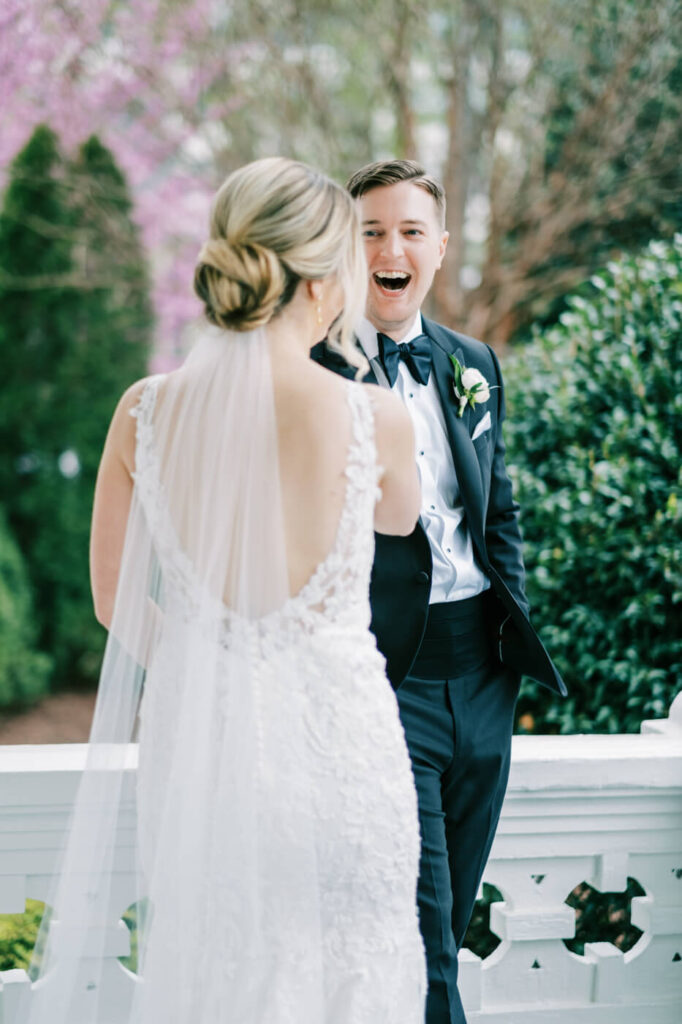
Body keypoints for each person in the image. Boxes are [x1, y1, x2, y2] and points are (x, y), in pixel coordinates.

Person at [22, 158, 427, 1024]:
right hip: (346, 763)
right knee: (364, 981)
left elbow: (111, 600)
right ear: (323, 283)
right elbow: (400, 520)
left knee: (222, 981)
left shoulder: (142, 413)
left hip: (208, 767)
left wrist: (214, 664)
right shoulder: (376, 416)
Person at [312, 159, 566, 1024]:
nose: (390, 247)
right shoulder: (314, 374)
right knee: (422, 937)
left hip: (483, 684)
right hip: (388, 685)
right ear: (344, 249)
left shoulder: (475, 363)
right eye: (370, 231)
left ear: (440, 248)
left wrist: (509, 647)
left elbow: (499, 511)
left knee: (446, 924)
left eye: (410, 231)